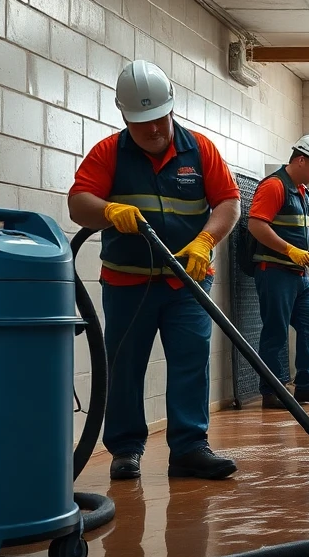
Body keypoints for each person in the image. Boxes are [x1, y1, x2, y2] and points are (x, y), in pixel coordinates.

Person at [68, 59, 242, 481]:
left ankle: (188, 448)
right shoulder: (109, 152)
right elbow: (77, 203)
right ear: (125, 116)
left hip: (188, 282)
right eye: (141, 122)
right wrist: (108, 210)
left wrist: (205, 240)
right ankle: (125, 450)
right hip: (128, 283)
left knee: (190, 361)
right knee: (125, 365)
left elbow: (229, 203)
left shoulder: (199, 149)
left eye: (159, 119)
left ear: (171, 108)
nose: (153, 130)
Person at [247, 134, 309, 409]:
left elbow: (303, 224)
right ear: (301, 160)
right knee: (275, 332)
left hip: (298, 275)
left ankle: (307, 385)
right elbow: (257, 225)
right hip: (275, 272)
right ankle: (272, 390)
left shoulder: (302, 191)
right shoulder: (274, 186)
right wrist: (289, 250)